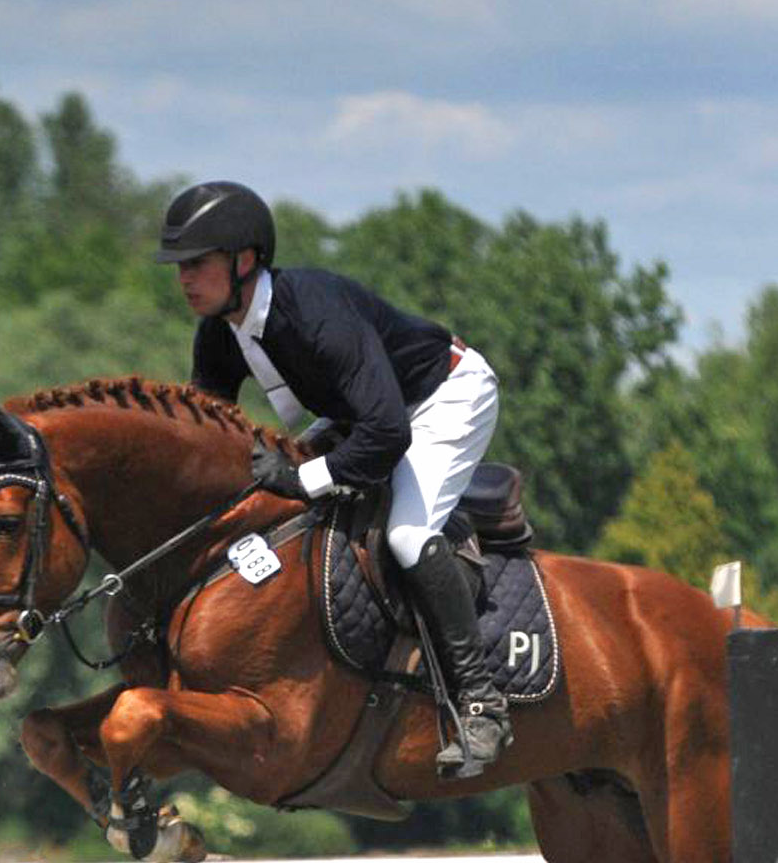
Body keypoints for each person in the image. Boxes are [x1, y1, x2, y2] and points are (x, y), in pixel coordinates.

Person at [154, 180, 511, 779]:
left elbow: (388, 435)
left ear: (244, 261)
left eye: (197, 263)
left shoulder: (314, 313)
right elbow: (209, 429)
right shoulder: (221, 331)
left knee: (405, 535)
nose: (184, 278)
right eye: (179, 266)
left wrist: (299, 477)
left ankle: (481, 703)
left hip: (444, 396)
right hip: (369, 412)